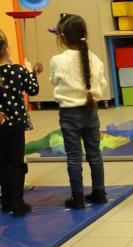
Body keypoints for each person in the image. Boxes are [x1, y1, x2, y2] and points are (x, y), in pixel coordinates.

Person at [50, 14, 108, 209]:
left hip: (69, 113)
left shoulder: (58, 60)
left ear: (63, 37)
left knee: (74, 157)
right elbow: (102, 85)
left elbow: (54, 81)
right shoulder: (95, 59)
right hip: (91, 111)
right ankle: (99, 193)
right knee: (94, 154)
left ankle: (78, 198)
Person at [0, 29, 42, 217]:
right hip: (16, 125)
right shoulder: (17, 71)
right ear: (6, 50)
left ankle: (7, 200)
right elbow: (33, 90)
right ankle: (17, 203)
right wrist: (30, 72)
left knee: (2, 162)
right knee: (16, 162)